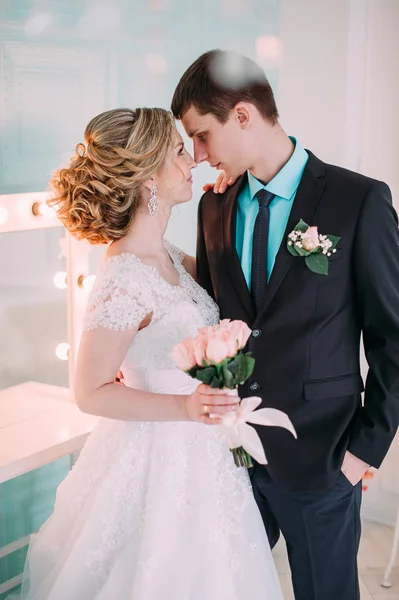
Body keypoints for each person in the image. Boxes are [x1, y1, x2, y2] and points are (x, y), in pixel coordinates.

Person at [14, 107, 284, 600]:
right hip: (155, 455)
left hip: (206, 456)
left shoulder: (168, 255)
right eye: (180, 152)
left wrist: (231, 205)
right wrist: (183, 406)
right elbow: (89, 392)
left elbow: (234, 295)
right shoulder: (122, 278)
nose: (194, 161)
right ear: (147, 178)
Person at [171, 49, 399, 600]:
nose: (198, 155)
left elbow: (393, 338)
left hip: (324, 459)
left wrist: (363, 453)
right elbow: (213, 314)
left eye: (202, 136)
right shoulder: (213, 209)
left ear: (243, 115)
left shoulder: (358, 200)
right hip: (233, 459)